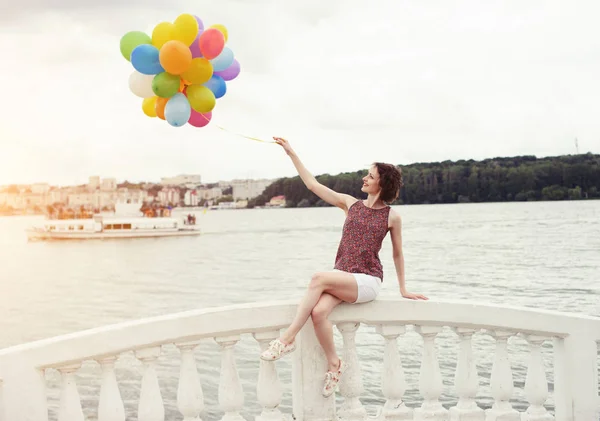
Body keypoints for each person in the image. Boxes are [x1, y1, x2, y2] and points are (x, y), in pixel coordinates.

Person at [260, 137, 428, 397]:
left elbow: (397, 253)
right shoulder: (351, 204)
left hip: (367, 281)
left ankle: (287, 339)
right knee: (318, 313)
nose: (364, 178)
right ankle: (335, 364)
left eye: (370, 176)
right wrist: (291, 152)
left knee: (317, 278)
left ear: (381, 183)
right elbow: (313, 184)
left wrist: (404, 288)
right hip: (343, 278)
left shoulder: (392, 216)